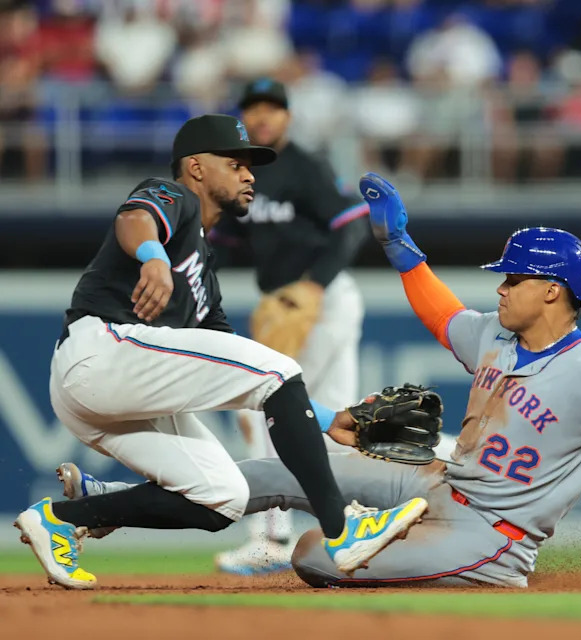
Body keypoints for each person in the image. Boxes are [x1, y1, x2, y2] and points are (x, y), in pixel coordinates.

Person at [57, 172, 581, 590]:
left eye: (514, 279)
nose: (500, 289)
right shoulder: (498, 338)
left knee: (315, 556)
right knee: (285, 466)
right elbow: (443, 312)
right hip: (441, 483)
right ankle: (104, 508)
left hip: (494, 537)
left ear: (554, 292)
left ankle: (391, 539)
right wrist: (402, 248)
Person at [11, 117, 426, 590]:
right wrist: (152, 255)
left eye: (250, 166)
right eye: (235, 164)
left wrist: (329, 417)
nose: (249, 175)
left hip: (109, 393)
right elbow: (133, 218)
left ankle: (62, 517)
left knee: (223, 498)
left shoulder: (204, 281)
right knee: (277, 368)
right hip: (100, 352)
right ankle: (343, 531)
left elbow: (251, 378)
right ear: (197, 168)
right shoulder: (177, 198)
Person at [205, 78, 368, 575]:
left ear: (287, 118)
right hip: (290, 303)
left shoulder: (304, 166)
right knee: (338, 421)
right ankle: (357, 528)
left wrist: (314, 286)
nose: (263, 116)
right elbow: (223, 238)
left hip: (321, 300)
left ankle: (270, 538)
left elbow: (352, 223)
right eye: (253, 108)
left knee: (266, 405)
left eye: (272, 108)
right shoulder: (244, 175)